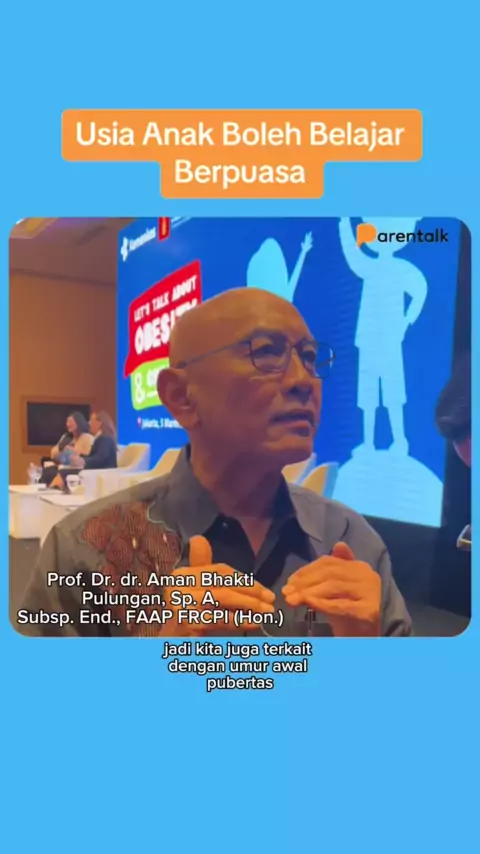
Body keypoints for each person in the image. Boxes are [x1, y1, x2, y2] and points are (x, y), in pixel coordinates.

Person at [19, 289, 412, 637]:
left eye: (309, 358)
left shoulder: (350, 542)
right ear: (181, 397)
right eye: (267, 353)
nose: (304, 380)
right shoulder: (83, 550)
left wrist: (363, 657)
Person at [48, 410, 118, 489]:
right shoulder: (101, 438)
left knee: (64, 473)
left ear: (99, 423)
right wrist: (79, 457)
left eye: (92, 421)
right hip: (96, 471)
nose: (89, 423)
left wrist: (83, 461)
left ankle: (52, 489)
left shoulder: (105, 439)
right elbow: (94, 457)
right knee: (62, 472)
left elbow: (100, 458)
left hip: (100, 473)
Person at [40, 411, 93, 485]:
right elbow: (53, 452)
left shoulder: (87, 438)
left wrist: (72, 451)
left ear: (79, 422)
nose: (68, 424)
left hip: (77, 468)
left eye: (71, 422)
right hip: (63, 465)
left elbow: (86, 456)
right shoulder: (66, 437)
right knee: (47, 471)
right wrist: (61, 447)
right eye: (67, 422)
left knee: (51, 473)